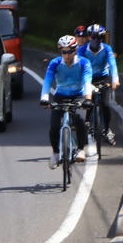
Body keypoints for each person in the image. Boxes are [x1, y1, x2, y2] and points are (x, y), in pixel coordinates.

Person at [41, 34, 93, 167]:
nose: (66, 55)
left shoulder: (84, 63)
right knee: (54, 126)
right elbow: (47, 80)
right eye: (63, 52)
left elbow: (87, 80)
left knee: (80, 120)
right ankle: (56, 153)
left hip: (78, 95)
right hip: (60, 96)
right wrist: (45, 98)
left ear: (75, 50)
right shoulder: (55, 63)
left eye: (69, 51)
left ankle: (81, 149)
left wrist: (88, 98)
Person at [78, 24, 120, 145]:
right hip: (88, 78)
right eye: (92, 38)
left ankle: (106, 130)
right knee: (88, 101)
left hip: (103, 77)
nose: (95, 41)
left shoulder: (107, 49)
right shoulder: (82, 50)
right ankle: (87, 122)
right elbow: (79, 66)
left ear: (102, 39)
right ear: (88, 38)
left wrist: (115, 80)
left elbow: (113, 65)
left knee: (105, 104)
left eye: (98, 38)